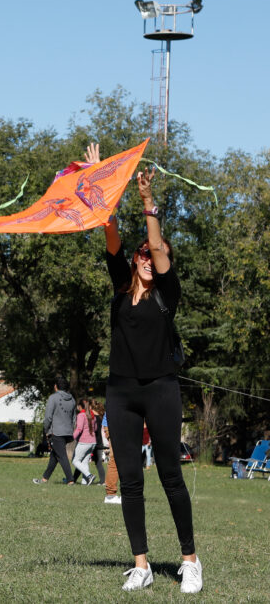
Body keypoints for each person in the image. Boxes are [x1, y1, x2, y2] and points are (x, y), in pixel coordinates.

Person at [90, 142, 201, 593]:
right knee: (130, 481)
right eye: (142, 255)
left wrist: (146, 201)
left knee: (171, 475)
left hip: (160, 389)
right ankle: (142, 565)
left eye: (155, 255)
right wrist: (101, 181)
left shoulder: (166, 294)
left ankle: (190, 560)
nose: (148, 258)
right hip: (121, 392)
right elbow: (111, 234)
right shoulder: (120, 289)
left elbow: (155, 241)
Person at [33, 377, 76, 485]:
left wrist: (46, 429)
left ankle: (70, 480)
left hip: (56, 431)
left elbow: (48, 417)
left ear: (56, 386)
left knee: (61, 456)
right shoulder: (72, 399)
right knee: (54, 455)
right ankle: (44, 479)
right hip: (68, 431)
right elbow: (74, 418)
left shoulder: (53, 398)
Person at [71, 398, 98, 485]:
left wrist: (72, 438)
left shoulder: (81, 415)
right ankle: (84, 482)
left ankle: (89, 476)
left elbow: (79, 429)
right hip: (93, 441)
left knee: (75, 461)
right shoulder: (92, 415)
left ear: (79, 406)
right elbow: (96, 428)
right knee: (84, 462)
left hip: (84, 441)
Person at [102, 410, 121, 504]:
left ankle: (113, 494)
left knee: (119, 460)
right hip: (116, 423)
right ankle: (110, 495)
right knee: (115, 460)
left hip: (113, 423)